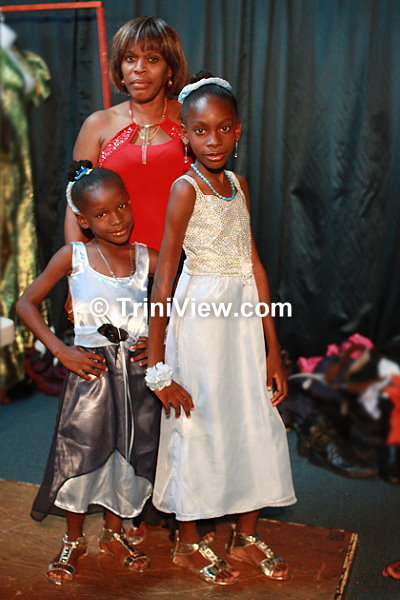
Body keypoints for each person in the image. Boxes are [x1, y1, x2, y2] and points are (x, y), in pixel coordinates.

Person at [145, 75, 296, 585]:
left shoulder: (239, 185)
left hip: (242, 322)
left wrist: (273, 348)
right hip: (200, 324)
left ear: (238, 130)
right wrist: (158, 366)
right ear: (185, 135)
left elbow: (254, 265)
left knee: (252, 417)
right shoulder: (184, 189)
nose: (213, 140)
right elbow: (164, 276)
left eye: (223, 128)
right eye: (201, 130)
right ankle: (188, 542)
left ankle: (245, 535)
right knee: (199, 422)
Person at [16, 161, 159, 585]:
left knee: (129, 452)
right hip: (91, 374)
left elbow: (183, 293)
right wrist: (61, 351)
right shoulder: (72, 256)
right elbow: (26, 303)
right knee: (81, 450)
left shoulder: (145, 257)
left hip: (136, 377)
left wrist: (161, 336)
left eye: (121, 207)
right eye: (101, 214)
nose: (116, 220)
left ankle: (114, 534)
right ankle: (73, 538)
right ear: (83, 220)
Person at [65, 16, 191, 251]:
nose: (139, 68)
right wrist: (79, 269)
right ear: (120, 68)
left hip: (187, 265)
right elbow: (76, 207)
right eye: (130, 58)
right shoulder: (97, 125)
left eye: (152, 59)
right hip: (116, 268)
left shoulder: (191, 117)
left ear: (170, 69)